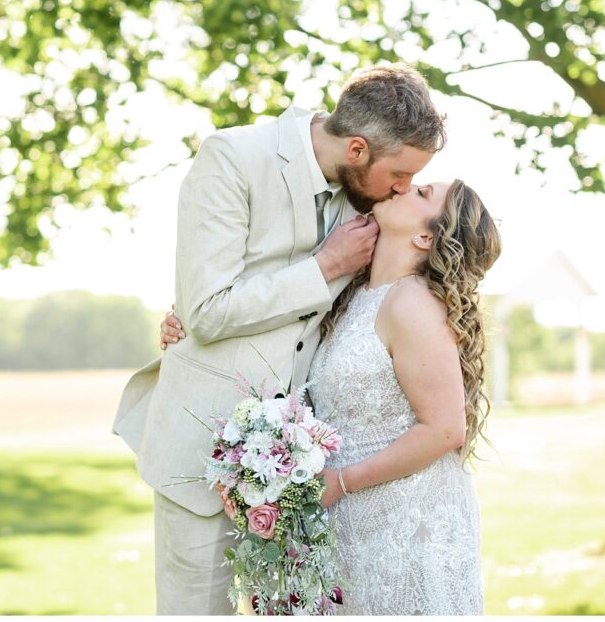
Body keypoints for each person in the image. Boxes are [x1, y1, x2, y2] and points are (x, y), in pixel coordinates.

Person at [112, 63, 447, 615]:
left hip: (306, 475)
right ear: (358, 148)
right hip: (199, 450)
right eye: (401, 173)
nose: (404, 189)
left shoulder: (369, 199)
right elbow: (207, 309)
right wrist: (324, 267)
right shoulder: (232, 158)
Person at [162, 179, 502, 615]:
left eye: (422, 194)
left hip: (406, 519)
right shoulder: (353, 293)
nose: (406, 186)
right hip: (348, 513)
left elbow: (444, 429)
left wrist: (339, 483)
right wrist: (187, 325)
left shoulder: (414, 305)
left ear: (424, 237)